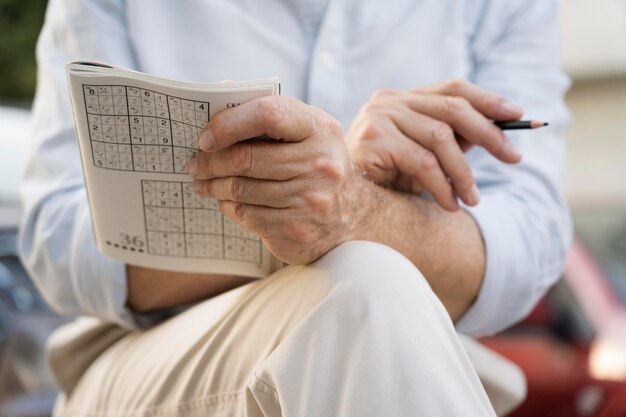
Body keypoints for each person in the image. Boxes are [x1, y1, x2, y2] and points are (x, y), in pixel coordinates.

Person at [19, 0, 571, 416]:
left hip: (398, 357)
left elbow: (524, 249)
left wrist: (353, 208)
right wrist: (312, 208)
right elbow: (58, 247)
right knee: (368, 286)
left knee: (368, 292)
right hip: (143, 363)